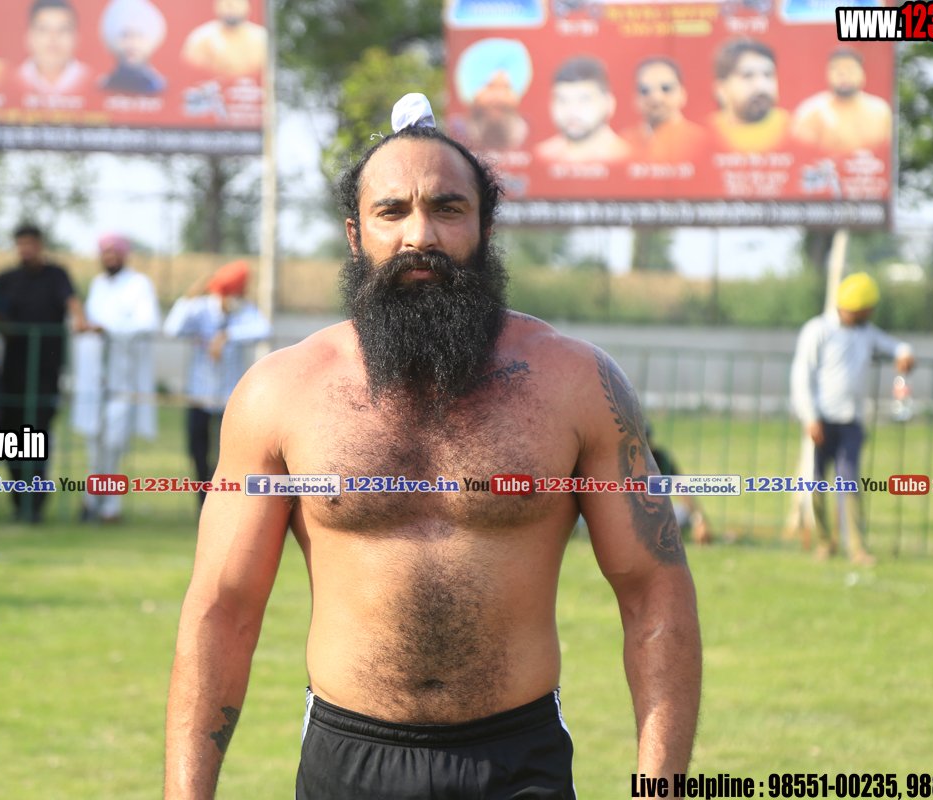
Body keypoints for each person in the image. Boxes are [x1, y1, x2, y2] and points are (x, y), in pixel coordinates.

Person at [165, 94, 701, 800]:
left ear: (485, 228)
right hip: (348, 764)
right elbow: (223, 609)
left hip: (519, 763)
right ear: (355, 235)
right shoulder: (280, 393)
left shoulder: (576, 383)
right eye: (392, 211)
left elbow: (653, 590)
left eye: (448, 209)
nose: (420, 235)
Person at [790, 272, 915, 567]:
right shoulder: (818, 330)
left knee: (849, 484)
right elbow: (802, 376)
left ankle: (857, 548)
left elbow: (895, 346)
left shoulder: (865, 332)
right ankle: (824, 542)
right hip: (821, 421)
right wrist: (810, 417)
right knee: (816, 484)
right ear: (859, 308)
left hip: (851, 422)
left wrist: (905, 354)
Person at [0, 223, 89, 522]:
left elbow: (71, 301)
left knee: (37, 438)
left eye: (30, 244)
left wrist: (81, 320)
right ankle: (19, 501)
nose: (26, 250)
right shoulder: (6, 279)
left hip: (46, 371)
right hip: (12, 372)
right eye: (21, 244)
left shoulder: (56, 275)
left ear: (40, 245)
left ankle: (34, 505)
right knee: (9, 439)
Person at [162, 260, 272, 507]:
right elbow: (171, 329)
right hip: (199, 394)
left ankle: (225, 505)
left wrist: (227, 335)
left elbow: (264, 329)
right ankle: (203, 506)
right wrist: (188, 298)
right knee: (198, 452)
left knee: (229, 456)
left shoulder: (244, 310)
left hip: (229, 397)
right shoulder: (200, 308)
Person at [71, 234, 160, 522]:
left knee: (114, 442)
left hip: (124, 378)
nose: (109, 256)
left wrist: (109, 329)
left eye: (114, 251)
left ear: (124, 254)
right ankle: (91, 500)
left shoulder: (139, 284)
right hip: (94, 376)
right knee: (93, 440)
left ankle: (110, 506)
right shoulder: (98, 284)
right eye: (104, 251)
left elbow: (148, 323)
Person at [790, 48, 892, 156]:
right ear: (828, 74)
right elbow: (802, 156)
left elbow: (887, 154)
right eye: (838, 70)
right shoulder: (810, 112)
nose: (844, 76)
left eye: (850, 69)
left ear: (862, 74)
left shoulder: (881, 111)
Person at [534, 55, 632, 163]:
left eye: (583, 100)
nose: (571, 111)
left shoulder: (628, 158)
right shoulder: (541, 157)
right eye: (562, 100)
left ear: (609, 104)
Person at [709, 38, 789, 153]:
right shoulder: (704, 135)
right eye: (747, 76)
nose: (761, 85)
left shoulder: (796, 131)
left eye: (768, 75)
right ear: (722, 89)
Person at [453, 38, 532, 152]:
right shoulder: (453, 133)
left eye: (507, 87)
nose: (498, 96)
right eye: (490, 86)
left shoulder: (534, 134)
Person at [624, 57, 708, 163]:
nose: (656, 98)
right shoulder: (622, 145)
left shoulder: (703, 142)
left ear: (682, 94)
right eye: (645, 90)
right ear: (635, 99)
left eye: (666, 88)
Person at [646, 420, 712, 546]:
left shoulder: (658, 457)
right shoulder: (622, 461)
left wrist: (699, 520)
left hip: (656, 515)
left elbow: (680, 487)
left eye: (646, 439)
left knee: (686, 512)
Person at [17, 0, 90, 96]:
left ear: (76, 38)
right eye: (44, 28)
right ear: (29, 37)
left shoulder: (93, 81)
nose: (53, 38)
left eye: (63, 29)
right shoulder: (12, 79)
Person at [181, 0, 266, 80]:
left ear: (247, 7)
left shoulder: (262, 38)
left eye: (237, 3)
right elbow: (191, 68)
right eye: (227, 4)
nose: (232, 8)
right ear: (217, 7)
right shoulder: (200, 38)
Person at [98, 0, 166, 95]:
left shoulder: (160, 87)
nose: (132, 44)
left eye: (139, 35)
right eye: (125, 35)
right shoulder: (103, 86)